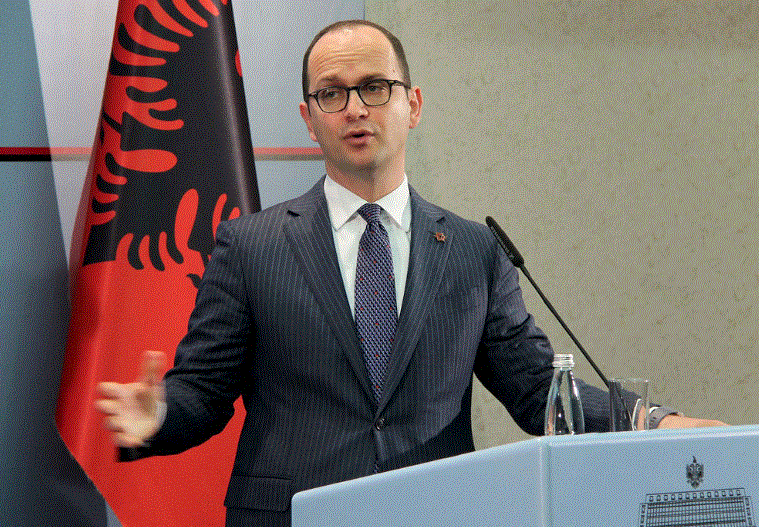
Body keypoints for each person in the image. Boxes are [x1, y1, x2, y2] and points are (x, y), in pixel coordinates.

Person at [96, 19, 724, 527]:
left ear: (412, 104)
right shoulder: (251, 245)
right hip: (292, 517)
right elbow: (204, 389)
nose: (354, 108)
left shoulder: (474, 250)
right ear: (309, 118)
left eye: (375, 87)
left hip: (436, 513)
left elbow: (538, 389)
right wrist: (160, 414)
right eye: (331, 93)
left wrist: (653, 422)